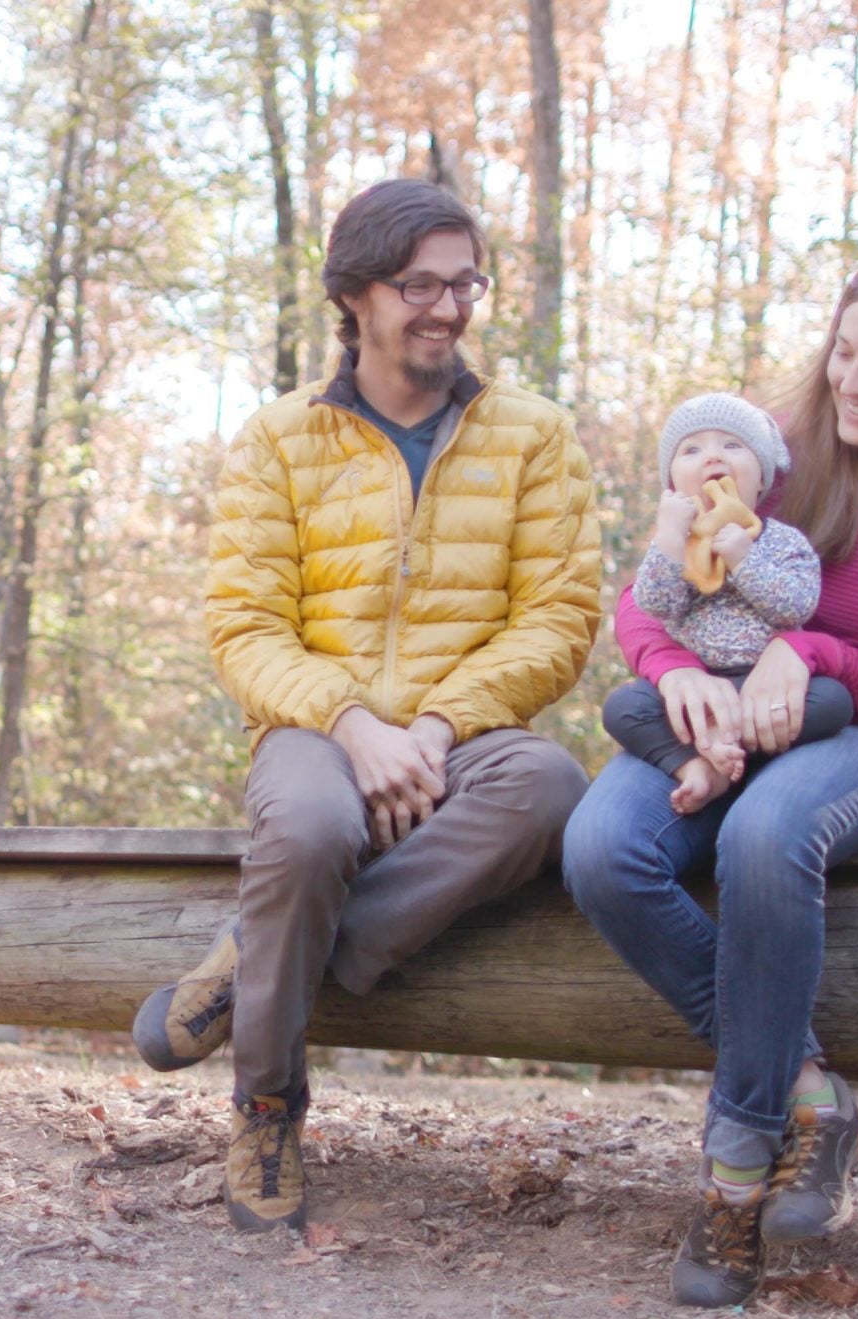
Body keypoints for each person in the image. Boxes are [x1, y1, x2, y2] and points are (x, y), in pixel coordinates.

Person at [132, 178, 603, 1235]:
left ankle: (258, 959)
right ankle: (264, 1111)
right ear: (355, 296)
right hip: (314, 728)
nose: (447, 307)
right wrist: (354, 726)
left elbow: (559, 622)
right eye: (418, 285)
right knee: (305, 828)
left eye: (464, 282)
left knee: (551, 786)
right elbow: (246, 629)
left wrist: (430, 732)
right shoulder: (278, 440)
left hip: (467, 738)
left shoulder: (534, 438)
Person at [562, 246, 858, 1306]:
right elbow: (650, 588)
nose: (852, 384)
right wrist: (674, 672)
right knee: (600, 847)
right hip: (717, 713)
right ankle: (811, 1092)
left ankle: (733, 1166)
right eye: (842, 354)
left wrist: (809, 651)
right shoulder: (774, 448)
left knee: (763, 837)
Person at [602, 393, 855, 814]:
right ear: (673, 484)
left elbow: (795, 607)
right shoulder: (677, 545)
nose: (712, 457)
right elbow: (654, 603)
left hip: (765, 687)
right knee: (623, 708)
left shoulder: (781, 541)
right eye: (692, 450)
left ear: (762, 480)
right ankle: (698, 768)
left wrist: (744, 559)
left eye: (732, 446)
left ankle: (732, 742)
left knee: (834, 702)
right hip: (696, 687)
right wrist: (668, 540)